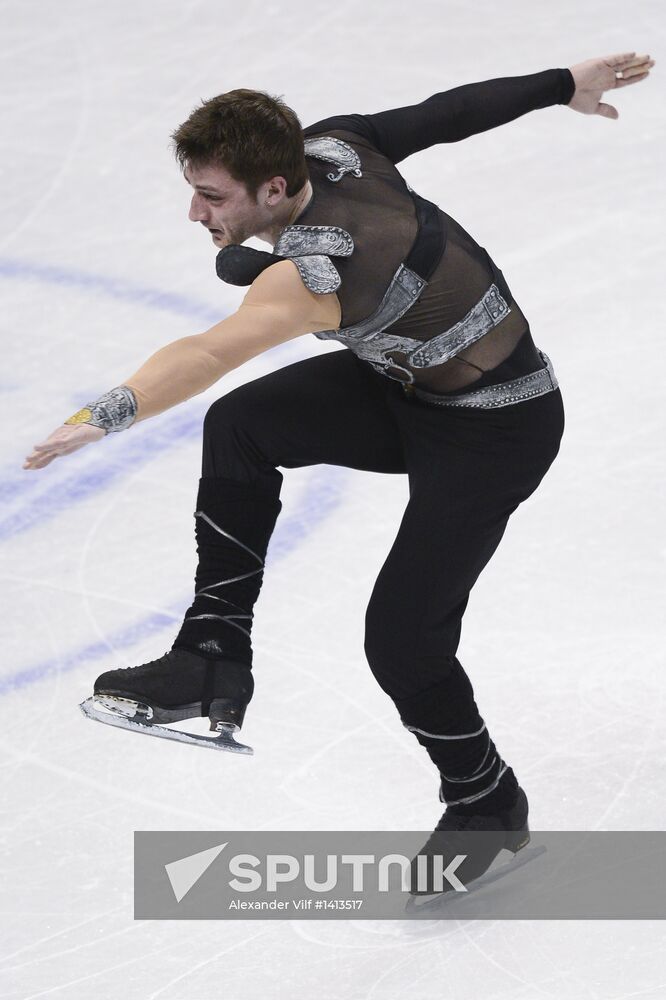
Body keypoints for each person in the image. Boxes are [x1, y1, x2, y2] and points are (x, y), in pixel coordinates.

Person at [22, 52, 654, 883]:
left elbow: (211, 349)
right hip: (403, 387)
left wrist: (103, 415)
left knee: (401, 639)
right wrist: (560, 84)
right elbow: (446, 108)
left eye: (213, 197)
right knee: (244, 427)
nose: (193, 211)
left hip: (497, 430)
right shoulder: (333, 148)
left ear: (275, 190)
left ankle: (486, 800)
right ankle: (212, 655)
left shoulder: (317, 276)